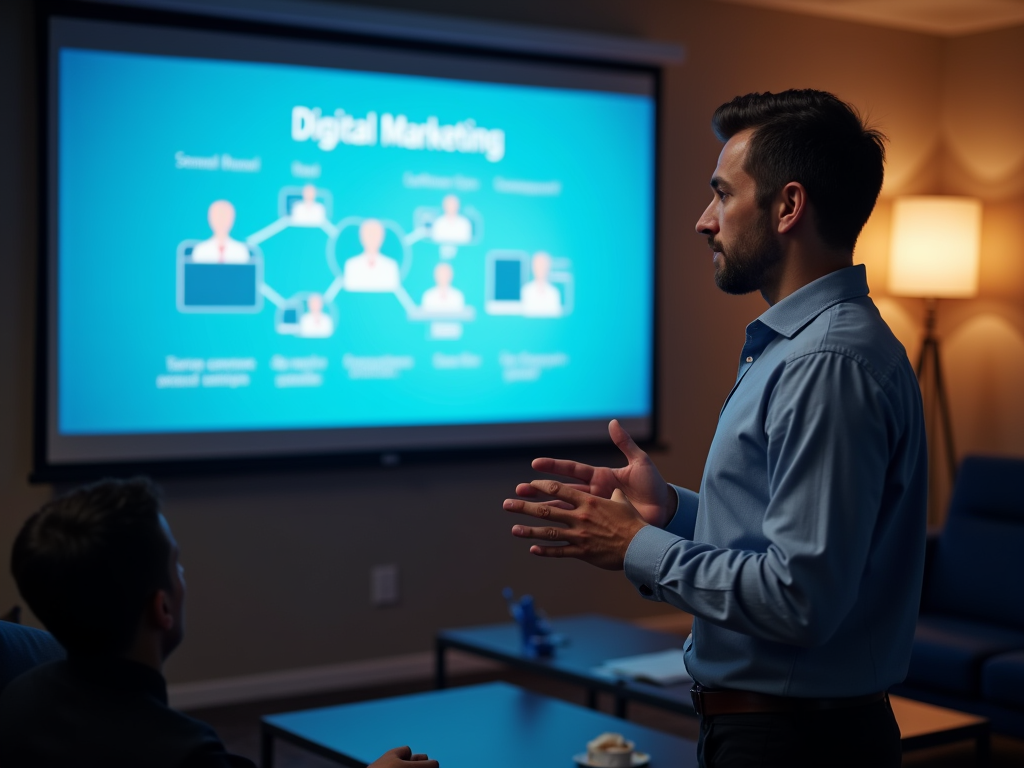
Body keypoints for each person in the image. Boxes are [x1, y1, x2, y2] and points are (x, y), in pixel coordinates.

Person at [503, 90, 926, 768]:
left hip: (796, 745)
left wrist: (638, 545)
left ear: (788, 207)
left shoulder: (827, 364)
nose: (704, 221)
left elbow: (800, 599)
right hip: (777, 730)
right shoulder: (799, 348)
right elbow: (778, 541)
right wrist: (668, 511)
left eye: (722, 195)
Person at [0, 478, 439, 768]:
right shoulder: (184, 754)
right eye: (177, 565)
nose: (184, 576)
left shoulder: (18, 698)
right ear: (163, 608)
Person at [344, 219, 400, 292]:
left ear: (382, 237)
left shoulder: (391, 266)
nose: (372, 238)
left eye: (376, 234)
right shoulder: (351, 265)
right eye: (368, 234)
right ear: (361, 237)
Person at [520, 251, 561, 317]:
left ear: (548, 267)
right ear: (533, 267)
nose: (540, 268)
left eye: (543, 265)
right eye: (538, 265)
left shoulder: (554, 293)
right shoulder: (526, 291)